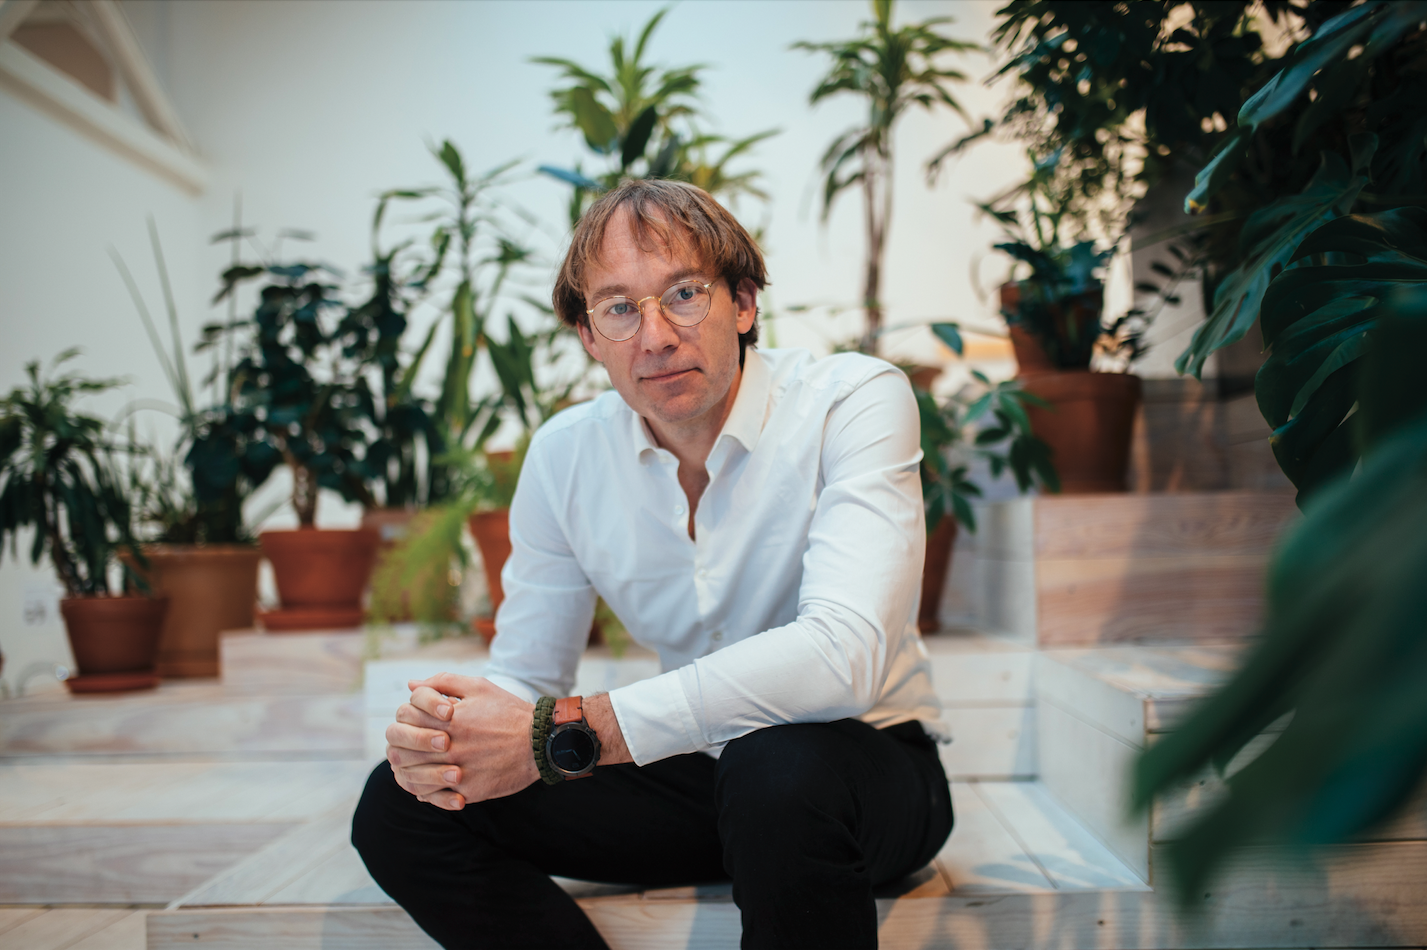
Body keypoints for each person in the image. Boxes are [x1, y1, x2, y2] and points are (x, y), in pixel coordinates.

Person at [352, 179, 953, 950]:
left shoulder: (852, 399)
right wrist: (452, 734)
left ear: (742, 304)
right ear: (588, 337)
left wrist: (564, 732)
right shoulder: (567, 454)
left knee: (776, 766)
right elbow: (527, 676)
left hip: (859, 772)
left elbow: (843, 657)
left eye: (684, 294)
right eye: (619, 308)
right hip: (695, 774)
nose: (655, 336)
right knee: (403, 802)